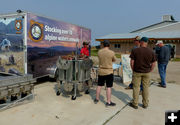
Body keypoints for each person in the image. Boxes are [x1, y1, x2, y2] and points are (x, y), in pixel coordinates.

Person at [129, 37, 156, 109]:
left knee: (136, 87)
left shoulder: (135, 50)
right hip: (147, 72)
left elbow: (132, 62)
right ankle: (145, 104)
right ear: (146, 43)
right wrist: (150, 70)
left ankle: (135, 103)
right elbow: (153, 63)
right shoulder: (151, 51)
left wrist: (133, 69)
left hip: (137, 72)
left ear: (141, 42)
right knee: (146, 88)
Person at [94, 40, 116, 106]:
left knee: (99, 85)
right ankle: (108, 102)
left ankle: (97, 99)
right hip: (109, 71)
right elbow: (114, 60)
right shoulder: (111, 52)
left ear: (103, 45)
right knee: (108, 87)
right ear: (109, 45)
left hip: (101, 71)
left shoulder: (99, 52)